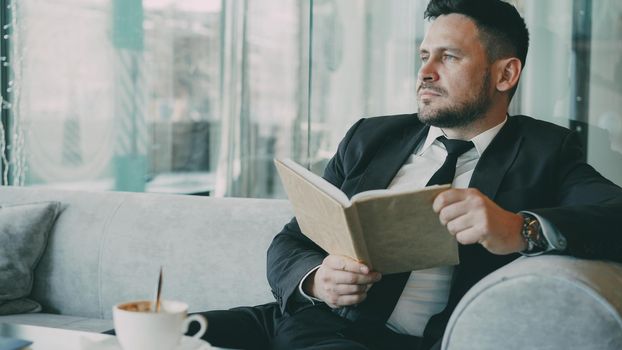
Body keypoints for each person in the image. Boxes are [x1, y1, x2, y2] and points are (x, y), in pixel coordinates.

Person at [197, 0, 622, 349]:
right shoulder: (370, 136)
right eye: (424, 56)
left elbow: (615, 215)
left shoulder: (545, 152)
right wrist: (316, 279)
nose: (425, 71)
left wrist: (519, 228)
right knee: (151, 330)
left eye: (449, 56)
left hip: (386, 342)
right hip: (294, 321)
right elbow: (292, 239)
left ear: (505, 74)